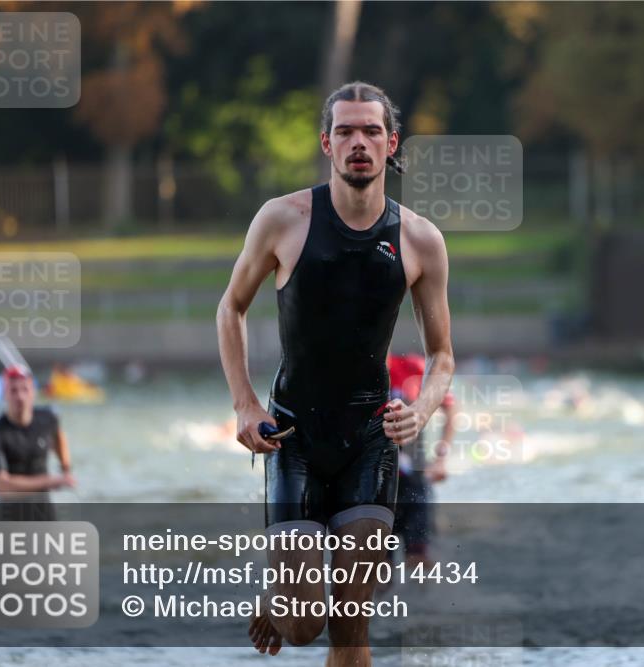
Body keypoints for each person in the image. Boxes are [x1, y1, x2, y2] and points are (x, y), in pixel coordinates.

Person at [216, 81, 454, 665]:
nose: (358, 143)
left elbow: (443, 356)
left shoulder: (420, 239)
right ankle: (282, 597)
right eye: (345, 131)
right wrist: (245, 404)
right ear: (327, 143)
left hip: (370, 440)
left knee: (351, 625)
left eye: (371, 131)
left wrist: (421, 411)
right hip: (293, 436)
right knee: (302, 628)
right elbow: (231, 308)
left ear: (391, 143)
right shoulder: (283, 219)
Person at [0, 365, 76, 521]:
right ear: (4, 394)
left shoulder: (48, 418)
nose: (20, 396)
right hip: (9, 517)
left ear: (33, 392)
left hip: (43, 511)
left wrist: (66, 467)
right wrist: (50, 482)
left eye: (25, 389)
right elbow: (1, 485)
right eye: (13, 391)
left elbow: (58, 436)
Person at [387, 353, 456, 569]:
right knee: (378, 571)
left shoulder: (412, 367)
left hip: (414, 481)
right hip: (373, 486)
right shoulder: (352, 371)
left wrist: (441, 458)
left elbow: (451, 408)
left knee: (419, 562)